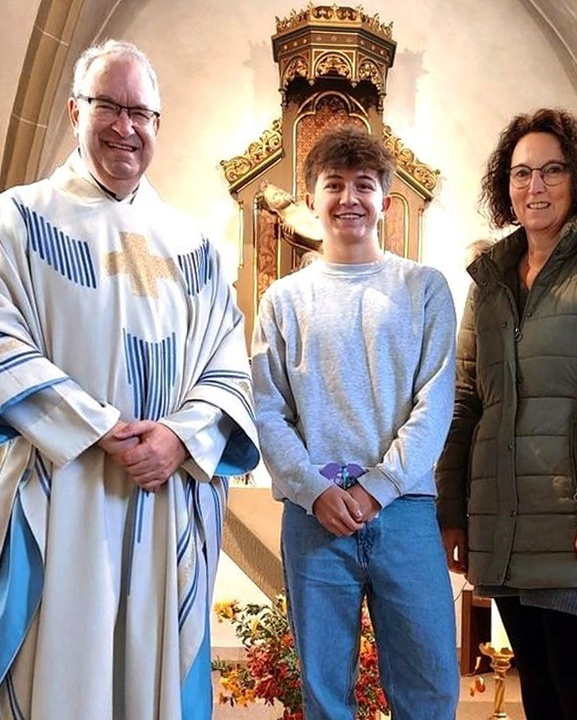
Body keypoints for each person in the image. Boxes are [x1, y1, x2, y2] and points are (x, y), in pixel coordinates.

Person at [0, 39, 259, 720]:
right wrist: (96, 426)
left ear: (158, 124)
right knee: (65, 675)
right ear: (73, 111)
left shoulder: (193, 245)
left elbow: (229, 361)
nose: (125, 127)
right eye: (108, 107)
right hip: (67, 489)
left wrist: (177, 437)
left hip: (164, 495)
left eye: (140, 112)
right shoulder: (18, 220)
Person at [436, 108, 577, 720]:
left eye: (551, 171)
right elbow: (465, 401)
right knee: (538, 684)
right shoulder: (490, 280)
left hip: (576, 524)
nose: (534, 187)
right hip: (507, 521)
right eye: (521, 173)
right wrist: (452, 511)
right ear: (504, 186)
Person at [251, 125, 460, 720]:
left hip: (406, 510)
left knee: (428, 685)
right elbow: (267, 409)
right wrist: (315, 491)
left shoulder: (423, 288)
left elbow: (435, 401)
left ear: (386, 201)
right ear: (311, 199)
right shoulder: (283, 300)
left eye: (364, 185)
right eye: (333, 184)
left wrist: (378, 487)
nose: (349, 198)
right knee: (324, 692)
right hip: (315, 516)